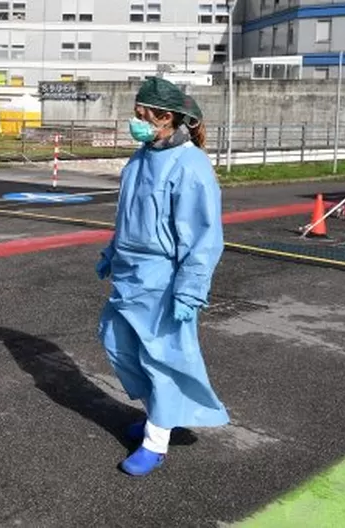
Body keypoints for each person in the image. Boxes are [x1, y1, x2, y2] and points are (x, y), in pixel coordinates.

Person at [96, 77, 229, 477]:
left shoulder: (190, 166)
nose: (135, 122)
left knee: (162, 358)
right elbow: (128, 217)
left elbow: (204, 236)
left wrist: (190, 290)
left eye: (142, 116)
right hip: (130, 273)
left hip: (163, 278)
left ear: (166, 117)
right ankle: (161, 414)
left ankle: (156, 440)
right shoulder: (140, 157)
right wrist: (112, 252)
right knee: (120, 344)